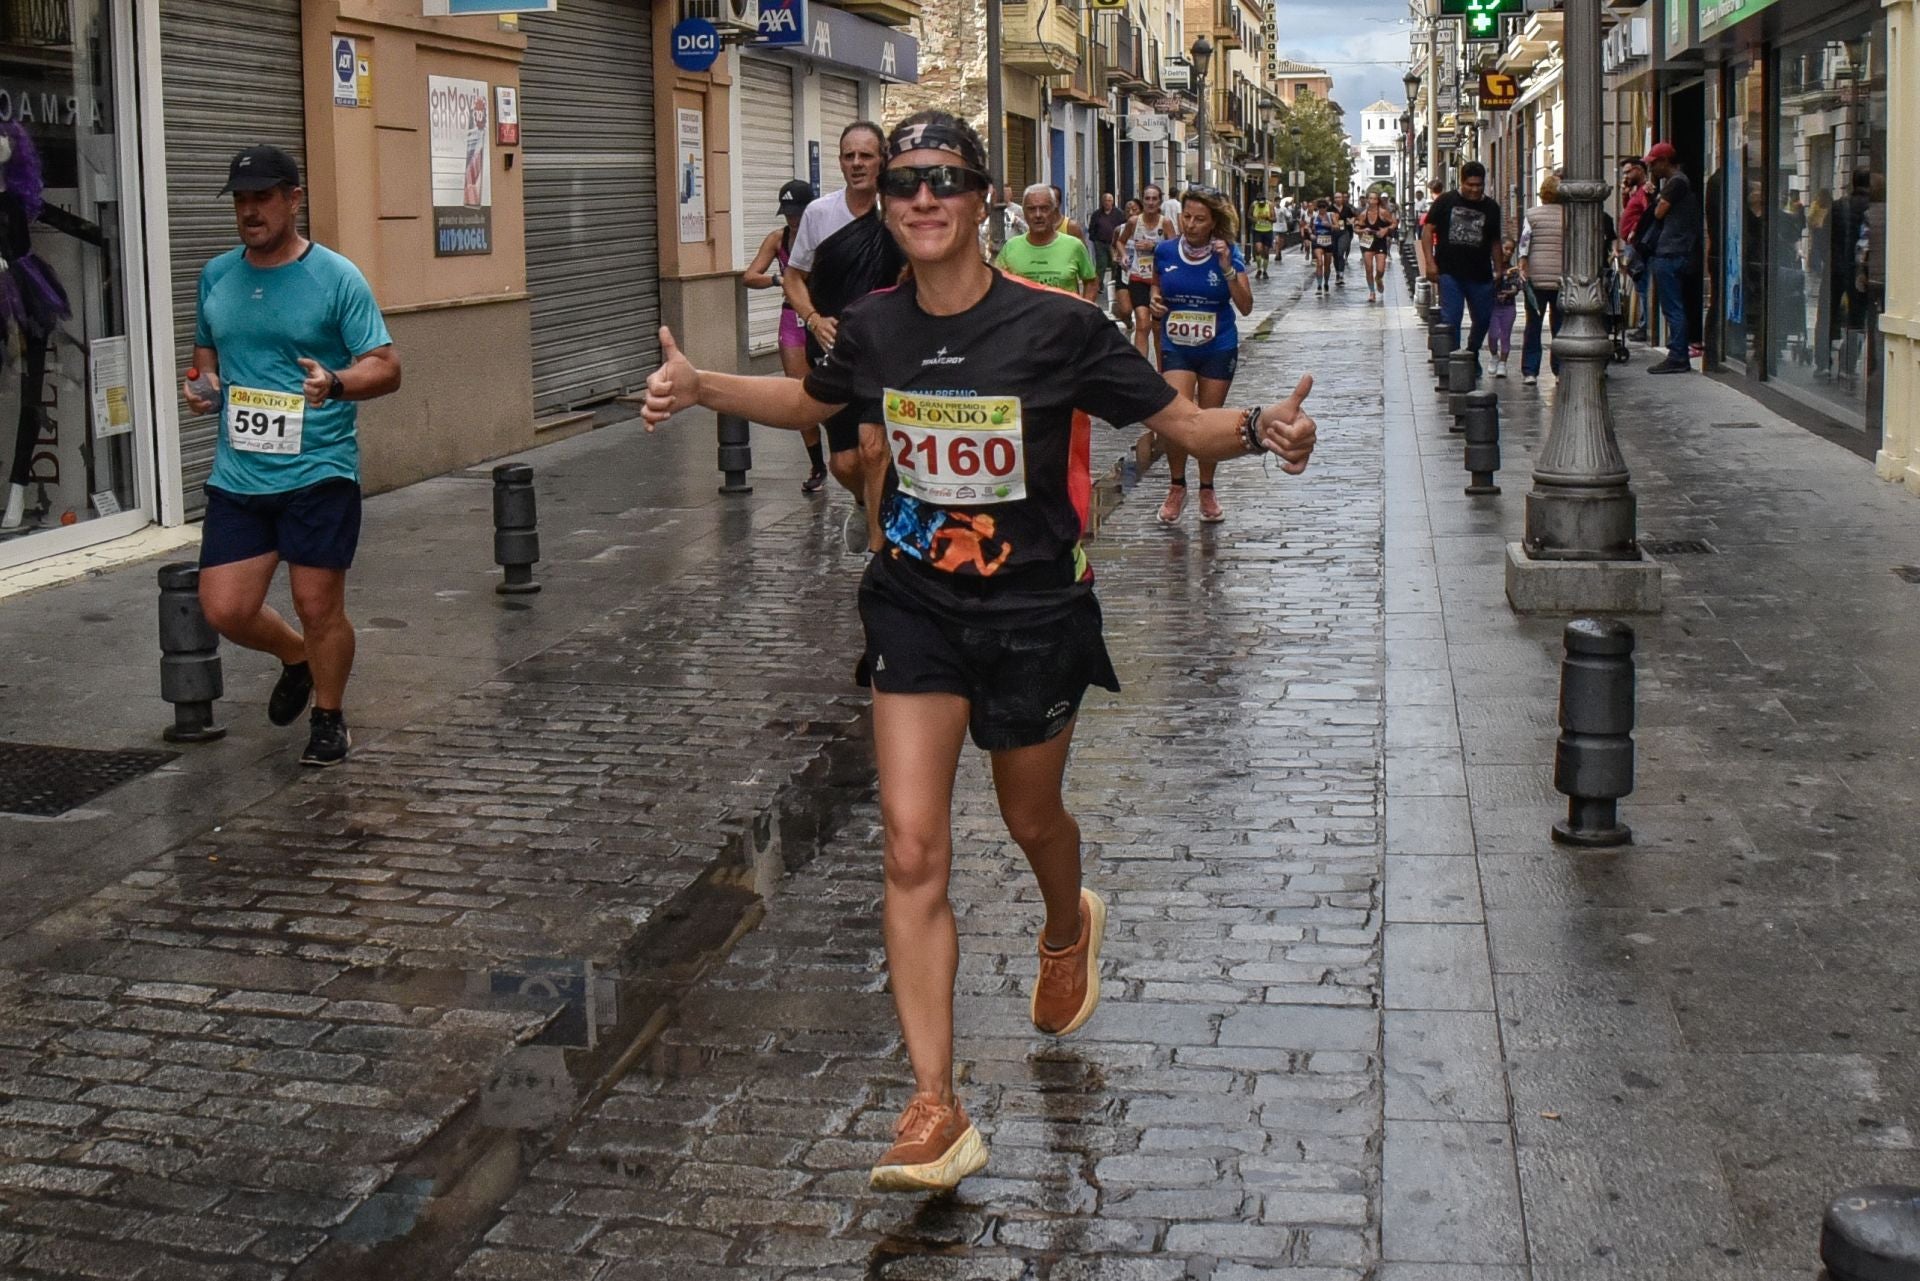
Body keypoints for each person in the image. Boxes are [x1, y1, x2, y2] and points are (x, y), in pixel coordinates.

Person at [638, 109, 1318, 1194]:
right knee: (912, 847)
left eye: (944, 180)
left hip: (1036, 611)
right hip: (913, 603)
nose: (919, 198)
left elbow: (1174, 423)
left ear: (981, 197)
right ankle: (934, 1105)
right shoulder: (870, 328)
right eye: (903, 181)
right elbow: (810, 399)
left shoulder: (1059, 324)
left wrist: (1259, 431)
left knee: (1029, 817)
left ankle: (1065, 923)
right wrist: (703, 385)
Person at [183, 145, 401, 768]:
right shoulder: (217, 276)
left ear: (294, 199)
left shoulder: (336, 277)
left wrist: (334, 383)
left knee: (317, 605)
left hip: (318, 469)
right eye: (241, 200)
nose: (250, 211)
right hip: (241, 471)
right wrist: (202, 389)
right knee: (224, 607)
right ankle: (296, 656)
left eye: (263, 197)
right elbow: (206, 363)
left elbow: (386, 368)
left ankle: (329, 717)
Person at [783, 122, 904, 542]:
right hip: (834, 351)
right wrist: (814, 319)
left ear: (882, 159)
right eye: (849, 156)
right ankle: (863, 502)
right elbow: (793, 277)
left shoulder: (898, 211)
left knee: (875, 450)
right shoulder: (819, 214)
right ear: (840, 161)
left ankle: (878, 549)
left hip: (887, 350)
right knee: (846, 464)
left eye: (866, 155)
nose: (857, 164)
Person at [1151, 186, 1253, 526]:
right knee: (1176, 418)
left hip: (1217, 344)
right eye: (1187, 217)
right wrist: (1154, 300)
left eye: (1199, 219)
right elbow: (1157, 285)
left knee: (1208, 419)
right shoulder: (1165, 251)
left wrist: (1225, 267)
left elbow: (1246, 306)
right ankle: (1176, 485)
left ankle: (1207, 489)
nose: (1191, 224)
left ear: (1213, 223)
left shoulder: (1229, 253)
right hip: (1177, 344)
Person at [744, 178, 827, 493]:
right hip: (793, 318)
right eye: (788, 212)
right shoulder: (778, 239)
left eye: (798, 212)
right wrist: (780, 280)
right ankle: (817, 464)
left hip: (825, 318)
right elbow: (749, 276)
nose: (793, 218)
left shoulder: (825, 236)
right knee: (798, 392)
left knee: (835, 388)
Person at [1423, 161, 1504, 360]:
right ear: (1462, 182)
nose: (1475, 189)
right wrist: (1430, 262)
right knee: (1451, 318)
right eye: (1470, 185)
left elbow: (1495, 241)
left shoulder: (1491, 207)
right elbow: (1427, 230)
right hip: (1450, 271)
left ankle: (1472, 351)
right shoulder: (1445, 201)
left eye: (1479, 185)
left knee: (1484, 319)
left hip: (1480, 272)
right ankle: (1456, 362)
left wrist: (1499, 269)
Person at [1643, 141, 1700, 374]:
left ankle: (1678, 355)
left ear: (1665, 161)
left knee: (1673, 307)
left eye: (1654, 164)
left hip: (1671, 251)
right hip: (1676, 251)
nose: (1652, 169)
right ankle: (1678, 352)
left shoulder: (1676, 183)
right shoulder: (1679, 182)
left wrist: (1655, 198)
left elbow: (1659, 212)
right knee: (1675, 306)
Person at [994, 184, 1099, 299]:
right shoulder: (1010, 248)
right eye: (1031, 209)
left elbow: (1091, 282)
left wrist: (1084, 312)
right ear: (1024, 212)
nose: (1038, 215)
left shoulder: (1074, 246)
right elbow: (996, 286)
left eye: (1044, 208)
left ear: (1054, 212)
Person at [1517, 172, 1566, 386]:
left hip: (1536, 279)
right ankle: (1559, 370)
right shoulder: (1569, 215)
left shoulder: (1532, 214)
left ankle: (1530, 370)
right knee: (1560, 326)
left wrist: (1522, 265)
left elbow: (1524, 243)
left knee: (1533, 325)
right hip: (1561, 278)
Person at [1119, 185, 1175, 361]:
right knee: (1143, 323)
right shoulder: (1134, 222)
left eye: (1154, 199)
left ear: (1160, 201)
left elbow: (1174, 250)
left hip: (1158, 281)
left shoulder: (1165, 223)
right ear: (1143, 200)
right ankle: (1141, 371)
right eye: (1147, 198)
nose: (1150, 202)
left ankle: (1162, 370)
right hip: (1138, 277)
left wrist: (1155, 247)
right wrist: (1123, 256)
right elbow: (1120, 242)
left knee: (1158, 329)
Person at [1618, 158, 1652, 341]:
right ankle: (1643, 323)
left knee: (1642, 285)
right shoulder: (1635, 192)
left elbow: (1648, 214)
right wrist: (1625, 194)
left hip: (1637, 245)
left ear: (1639, 170)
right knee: (1640, 285)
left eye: (1628, 172)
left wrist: (1634, 230)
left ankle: (1645, 325)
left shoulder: (1645, 191)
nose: (1625, 176)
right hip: (1631, 244)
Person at [1354, 191, 1396, 303]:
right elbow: (1356, 229)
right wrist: (1363, 230)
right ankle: (1372, 292)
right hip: (1367, 241)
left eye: (1374, 199)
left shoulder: (1383, 213)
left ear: (1378, 201)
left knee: (1380, 269)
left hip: (1380, 241)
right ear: (1367, 200)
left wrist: (1385, 230)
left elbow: (1394, 223)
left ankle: (1378, 278)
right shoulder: (1363, 214)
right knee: (1368, 268)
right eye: (1370, 199)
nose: (1372, 201)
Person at [1087, 192, 1125, 302]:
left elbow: (1123, 226)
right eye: (1105, 201)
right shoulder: (1097, 214)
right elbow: (1092, 227)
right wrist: (1094, 239)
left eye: (1109, 201)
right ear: (1102, 202)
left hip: (1114, 243)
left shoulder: (1119, 214)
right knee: (1101, 264)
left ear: (1112, 202)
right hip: (1100, 242)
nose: (1107, 203)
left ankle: (1114, 283)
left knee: (1115, 264)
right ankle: (1099, 285)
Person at [1490, 240, 1520, 378]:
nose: (1508, 252)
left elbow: (1515, 288)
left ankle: (1503, 363)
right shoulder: (1491, 267)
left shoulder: (1513, 270)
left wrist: (1509, 293)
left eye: (1511, 250)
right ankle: (1494, 356)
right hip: (1492, 306)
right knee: (1493, 335)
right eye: (1506, 248)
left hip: (1508, 306)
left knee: (1505, 335)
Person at [1309, 198, 1339, 295]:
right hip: (1318, 242)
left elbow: (1338, 227)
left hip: (1328, 242)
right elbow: (1308, 227)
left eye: (1324, 207)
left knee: (1327, 266)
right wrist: (1310, 234)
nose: (1322, 209)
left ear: (1327, 207)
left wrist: (1329, 225)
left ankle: (1326, 283)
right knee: (1319, 263)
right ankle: (1318, 285)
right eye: (1320, 207)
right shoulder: (1314, 216)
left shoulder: (1331, 216)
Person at [1248, 191, 1275, 280]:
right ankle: (1259, 269)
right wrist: (1254, 220)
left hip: (1268, 230)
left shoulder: (1270, 205)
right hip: (1257, 230)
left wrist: (1268, 218)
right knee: (1258, 250)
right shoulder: (1253, 205)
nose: (1261, 205)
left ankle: (1265, 271)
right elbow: (1249, 216)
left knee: (1266, 252)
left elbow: (1274, 219)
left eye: (1262, 204)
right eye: (1260, 204)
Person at [1330, 192, 1355, 287]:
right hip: (1333, 233)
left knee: (1340, 252)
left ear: (1342, 199)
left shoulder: (1347, 208)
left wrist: (1351, 221)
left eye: (1339, 197)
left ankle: (1341, 274)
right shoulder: (1330, 209)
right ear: (1334, 199)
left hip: (1344, 232)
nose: (1338, 199)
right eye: (1336, 197)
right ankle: (1337, 272)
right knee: (1335, 254)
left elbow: (1353, 217)